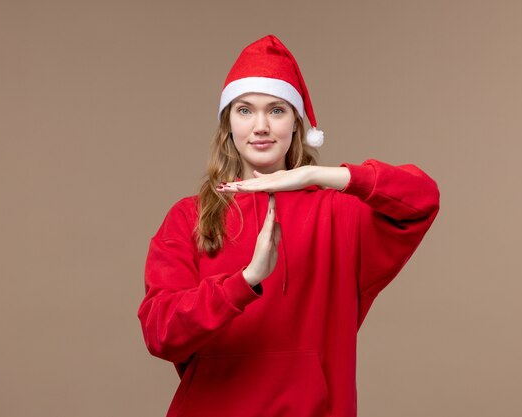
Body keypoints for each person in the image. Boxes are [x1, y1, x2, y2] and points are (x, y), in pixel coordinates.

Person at [137, 34, 440, 417]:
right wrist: (244, 281)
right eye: (245, 110)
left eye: (276, 110)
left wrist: (321, 175)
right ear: (227, 123)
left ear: (297, 124)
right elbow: (161, 331)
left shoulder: (340, 213)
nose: (260, 126)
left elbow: (422, 198)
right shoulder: (189, 216)